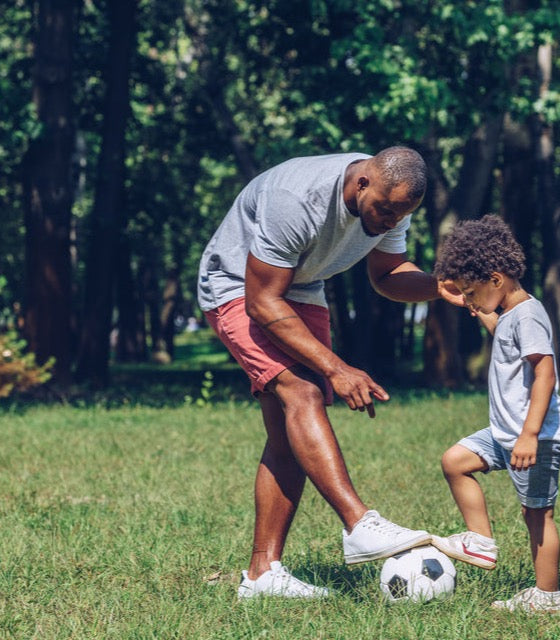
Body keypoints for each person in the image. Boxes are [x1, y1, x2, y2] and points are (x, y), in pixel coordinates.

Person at [197, 146, 460, 599]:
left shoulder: (392, 201)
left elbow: (387, 274)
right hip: (240, 287)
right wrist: (337, 368)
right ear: (362, 183)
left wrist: (439, 286)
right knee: (303, 392)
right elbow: (262, 302)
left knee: (287, 434)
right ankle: (358, 524)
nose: (391, 222)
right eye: (385, 210)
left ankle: (262, 575)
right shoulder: (295, 198)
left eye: (401, 215)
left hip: (300, 288)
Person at [430, 215, 560, 613]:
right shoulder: (510, 313)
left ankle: (547, 597)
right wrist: (470, 304)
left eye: (472, 292)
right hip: (504, 432)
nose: (471, 300)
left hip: (535, 437)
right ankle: (481, 541)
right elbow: (504, 335)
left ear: (495, 279)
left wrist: (530, 435)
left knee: (537, 514)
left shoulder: (528, 314)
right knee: (455, 461)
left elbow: (545, 373)